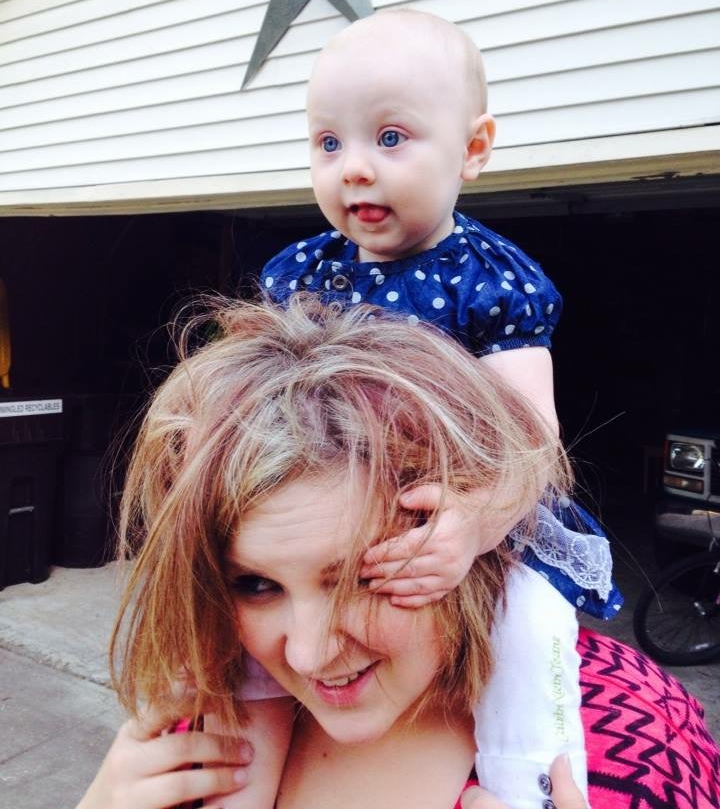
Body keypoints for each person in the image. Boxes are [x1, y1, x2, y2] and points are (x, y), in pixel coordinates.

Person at [76, 298, 720, 809]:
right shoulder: (200, 723)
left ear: (478, 541)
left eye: (363, 577)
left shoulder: (636, 734)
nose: (308, 655)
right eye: (255, 584)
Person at [253, 9, 620, 806]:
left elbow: (535, 439)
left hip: (457, 504)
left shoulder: (489, 282)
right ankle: (237, 767)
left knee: (530, 623)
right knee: (239, 611)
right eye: (328, 143)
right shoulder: (299, 274)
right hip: (326, 506)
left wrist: (475, 523)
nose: (354, 169)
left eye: (390, 138)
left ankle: (528, 783)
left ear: (473, 149)